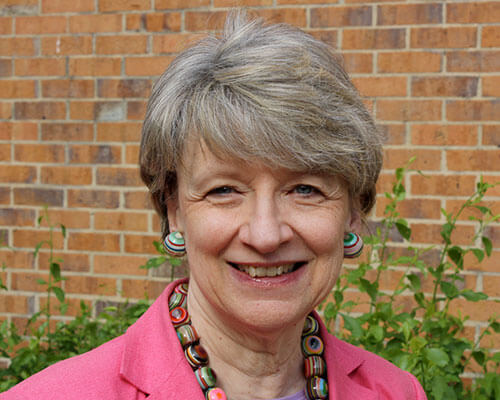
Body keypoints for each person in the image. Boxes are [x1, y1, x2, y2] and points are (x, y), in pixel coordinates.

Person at [1, 11, 427, 400]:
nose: (265, 235)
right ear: (174, 211)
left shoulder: (397, 392)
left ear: (353, 210)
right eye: (224, 190)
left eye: (304, 189)